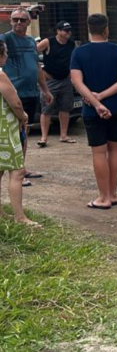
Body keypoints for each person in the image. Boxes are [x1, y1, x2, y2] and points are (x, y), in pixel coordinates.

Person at [70, 13, 117, 210]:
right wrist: (104, 96)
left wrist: (95, 101)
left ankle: (103, 197)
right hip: (115, 107)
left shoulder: (79, 53)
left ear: (89, 29)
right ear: (106, 29)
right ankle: (113, 194)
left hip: (91, 109)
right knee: (115, 149)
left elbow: (76, 81)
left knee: (99, 152)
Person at [3, 7, 53, 186]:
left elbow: (37, 68)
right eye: (15, 19)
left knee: (26, 131)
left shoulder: (32, 42)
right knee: (14, 134)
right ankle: (16, 173)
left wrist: (45, 90)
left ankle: (21, 167)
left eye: (21, 20)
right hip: (13, 95)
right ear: (10, 21)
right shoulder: (5, 39)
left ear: (28, 22)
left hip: (31, 93)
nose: (18, 23)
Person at [0, 38, 39, 227]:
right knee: (17, 171)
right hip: (4, 129)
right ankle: (20, 217)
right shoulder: (0, 75)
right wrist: (23, 116)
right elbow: (14, 103)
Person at [35, 20, 77, 147]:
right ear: (58, 31)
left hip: (65, 80)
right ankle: (44, 138)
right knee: (46, 108)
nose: (69, 32)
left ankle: (63, 135)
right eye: (66, 30)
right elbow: (32, 53)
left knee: (65, 108)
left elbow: (74, 60)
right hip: (50, 80)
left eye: (70, 30)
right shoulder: (48, 42)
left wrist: (72, 75)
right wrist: (41, 70)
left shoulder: (72, 44)